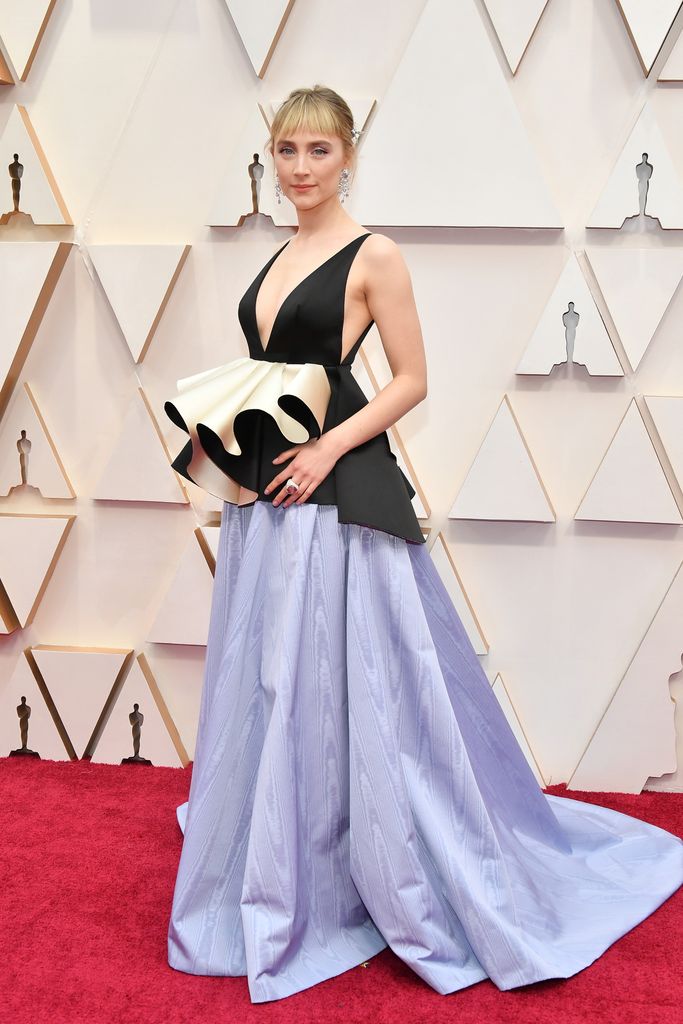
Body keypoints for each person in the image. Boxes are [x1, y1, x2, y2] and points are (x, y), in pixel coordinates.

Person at [163, 85, 683, 1005]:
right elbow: (275, 370)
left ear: (348, 155)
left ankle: (357, 851)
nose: (299, 169)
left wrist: (326, 449)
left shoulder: (376, 255)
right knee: (271, 674)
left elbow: (409, 380)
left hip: (331, 492)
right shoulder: (280, 251)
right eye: (285, 151)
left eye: (317, 151)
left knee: (341, 672)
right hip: (265, 497)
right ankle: (279, 836)